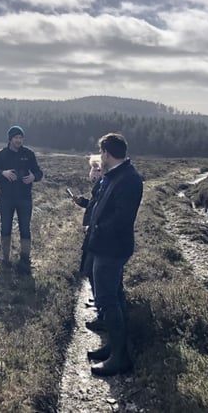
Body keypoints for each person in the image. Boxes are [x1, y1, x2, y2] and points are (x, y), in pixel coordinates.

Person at [86, 133, 143, 377]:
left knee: (108, 299)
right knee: (115, 296)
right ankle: (114, 346)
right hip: (106, 246)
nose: (100, 157)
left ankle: (120, 358)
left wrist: (96, 228)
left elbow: (121, 219)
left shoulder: (128, 180)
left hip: (111, 248)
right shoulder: (116, 176)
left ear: (107, 153)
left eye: (102, 153)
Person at [0, 125, 43, 273]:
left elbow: (39, 172)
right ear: (10, 139)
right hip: (6, 199)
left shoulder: (29, 154)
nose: (19, 140)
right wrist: (3, 173)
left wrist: (33, 177)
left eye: (21, 138)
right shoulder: (1, 155)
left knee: (25, 228)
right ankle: (5, 259)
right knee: (5, 228)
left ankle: (25, 259)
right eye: (16, 138)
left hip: (25, 198)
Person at [72, 155, 103, 303]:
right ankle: (98, 298)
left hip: (96, 233)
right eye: (92, 169)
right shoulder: (99, 187)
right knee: (90, 267)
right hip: (93, 232)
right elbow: (92, 205)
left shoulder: (104, 186)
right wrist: (82, 202)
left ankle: (100, 301)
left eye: (98, 169)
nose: (94, 173)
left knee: (91, 268)